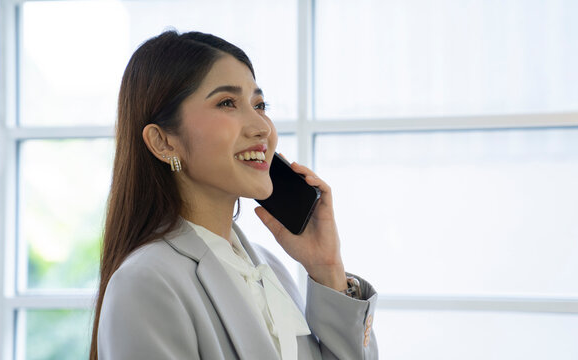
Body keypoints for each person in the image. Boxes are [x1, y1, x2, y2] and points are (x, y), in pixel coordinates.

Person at [89, 30, 378, 360]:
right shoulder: (145, 283)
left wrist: (328, 269)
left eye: (260, 105)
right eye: (227, 103)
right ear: (163, 142)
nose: (262, 127)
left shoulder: (271, 270)